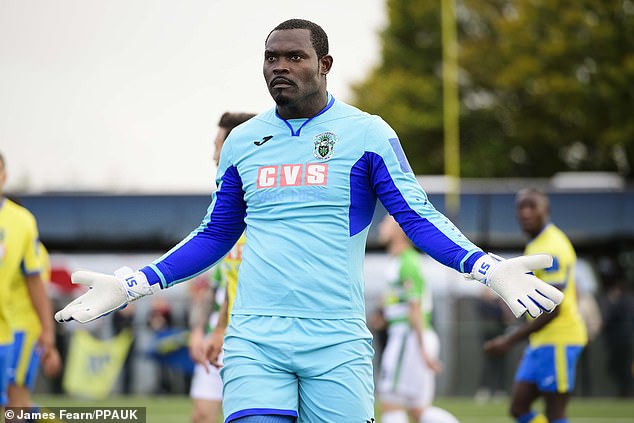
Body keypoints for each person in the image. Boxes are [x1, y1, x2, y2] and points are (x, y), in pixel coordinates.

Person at [55, 19, 563, 423]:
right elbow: (215, 233)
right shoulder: (242, 141)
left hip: (337, 339)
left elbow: (416, 215)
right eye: (271, 58)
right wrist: (134, 283)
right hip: (256, 337)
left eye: (294, 57)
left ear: (325, 64)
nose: (280, 66)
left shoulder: (367, 134)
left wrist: (487, 268)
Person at [484, 188, 588, 423]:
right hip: (542, 340)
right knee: (518, 409)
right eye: (521, 207)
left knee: (555, 413)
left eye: (532, 206)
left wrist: (508, 340)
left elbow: (555, 307)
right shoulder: (536, 244)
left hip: (560, 339)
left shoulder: (552, 247)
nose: (525, 212)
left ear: (546, 210)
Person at [188, 112, 254, 423]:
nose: (214, 156)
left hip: (256, 332)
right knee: (202, 415)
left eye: (219, 146)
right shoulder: (223, 213)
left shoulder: (264, 209)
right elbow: (221, 282)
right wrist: (206, 329)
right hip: (225, 327)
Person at [376, 215, 459, 423]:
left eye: (386, 221)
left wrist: (423, 350)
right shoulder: (400, 261)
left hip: (409, 337)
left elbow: (415, 307)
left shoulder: (407, 261)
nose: (380, 226)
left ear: (398, 229)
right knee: (417, 410)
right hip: (410, 336)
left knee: (390, 401)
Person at [0, 152, 58, 412]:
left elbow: (36, 284)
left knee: (15, 405)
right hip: (14, 327)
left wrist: (48, 331)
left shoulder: (22, 224)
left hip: (14, 330)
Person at [8, 241, 62, 408]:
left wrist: (48, 338)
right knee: (15, 404)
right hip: (7, 329)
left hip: (21, 331)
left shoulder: (29, 242)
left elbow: (40, 290)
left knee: (15, 403)